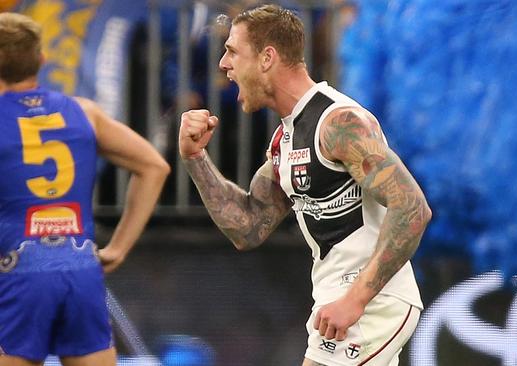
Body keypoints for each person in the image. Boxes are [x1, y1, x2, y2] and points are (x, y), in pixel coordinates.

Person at [178, 4, 432, 365]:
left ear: (267, 58)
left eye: (232, 51)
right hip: (341, 301)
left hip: (371, 303)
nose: (223, 64)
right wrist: (195, 158)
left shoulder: (339, 122)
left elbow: (412, 208)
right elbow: (247, 227)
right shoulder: (286, 137)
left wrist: (355, 300)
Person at [0, 12, 170, 366]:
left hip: (17, 271)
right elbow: (154, 166)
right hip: (80, 267)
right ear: (42, 61)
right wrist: (120, 247)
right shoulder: (84, 111)